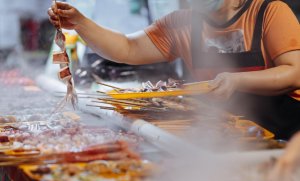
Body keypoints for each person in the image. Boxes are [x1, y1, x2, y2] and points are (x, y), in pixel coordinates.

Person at [48, 0, 300, 139]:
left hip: (287, 134)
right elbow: (126, 48)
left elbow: (295, 72)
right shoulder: (183, 23)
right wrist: (80, 23)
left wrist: (236, 81)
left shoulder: (269, 12)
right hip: (232, 134)